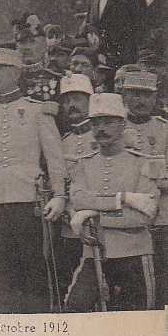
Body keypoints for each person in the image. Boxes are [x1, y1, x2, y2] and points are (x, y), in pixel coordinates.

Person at [0, 47, 67, 313]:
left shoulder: (37, 111)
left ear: (15, 73)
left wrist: (59, 195)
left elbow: (55, 158)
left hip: (29, 200)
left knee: (33, 266)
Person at [65, 93, 159, 311]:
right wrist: (122, 199)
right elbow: (78, 199)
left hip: (133, 254)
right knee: (75, 309)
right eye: (96, 123)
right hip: (93, 255)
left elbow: (143, 216)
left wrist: (93, 215)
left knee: (136, 320)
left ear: (122, 124)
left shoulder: (142, 163)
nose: (101, 129)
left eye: (108, 122)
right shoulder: (84, 164)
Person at [120, 71, 168, 307]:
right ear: (124, 96)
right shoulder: (114, 128)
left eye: (146, 95)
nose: (140, 101)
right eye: (134, 94)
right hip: (124, 217)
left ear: (155, 98)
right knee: (130, 280)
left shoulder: (163, 129)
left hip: (160, 216)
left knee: (161, 277)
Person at [56, 73, 96, 292]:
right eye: (67, 100)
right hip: (71, 228)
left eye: (78, 99)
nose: (71, 105)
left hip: (102, 225)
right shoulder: (63, 143)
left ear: (91, 100)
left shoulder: (103, 137)